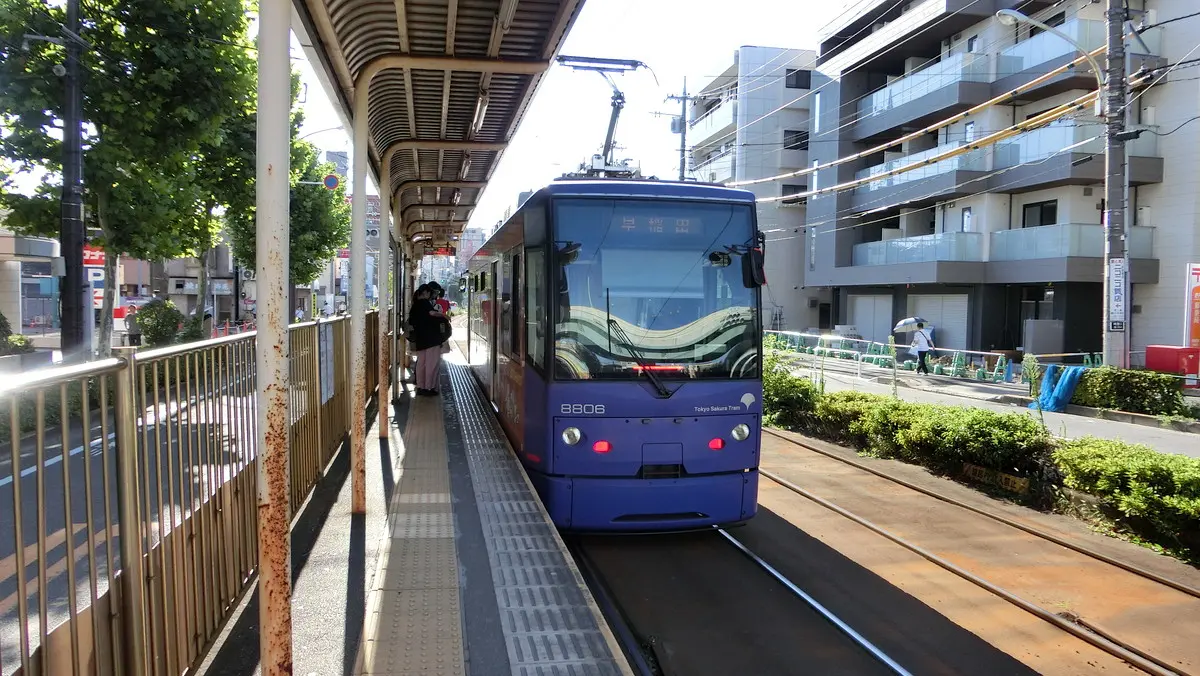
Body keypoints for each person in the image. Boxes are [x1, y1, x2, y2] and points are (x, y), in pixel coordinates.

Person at [407, 284, 447, 396]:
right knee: (431, 364)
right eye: (431, 293)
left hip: (421, 340)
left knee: (421, 364)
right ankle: (429, 388)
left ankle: (420, 387)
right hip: (432, 339)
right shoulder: (424, 303)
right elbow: (432, 313)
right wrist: (444, 316)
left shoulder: (414, 306)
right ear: (426, 293)